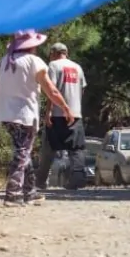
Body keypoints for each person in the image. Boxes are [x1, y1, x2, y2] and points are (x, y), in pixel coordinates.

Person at [0, 29, 73, 206]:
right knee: (22, 152)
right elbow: (51, 90)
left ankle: (30, 192)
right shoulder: (34, 61)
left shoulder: (3, 61)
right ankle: (13, 193)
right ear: (32, 46)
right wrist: (65, 107)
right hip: (25, 115)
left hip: (6, 114)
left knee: (23, 150)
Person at [37, 42, 88, 190]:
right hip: (75, 114)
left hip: (57, 114)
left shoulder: (53, 66)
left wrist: (48, 112)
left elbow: (51, 90)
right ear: (66, 53)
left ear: (53, 53)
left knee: (49, 148)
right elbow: (82, 89)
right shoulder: (78, 67)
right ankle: (78, 178)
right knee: (76, 148)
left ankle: (41, 181)